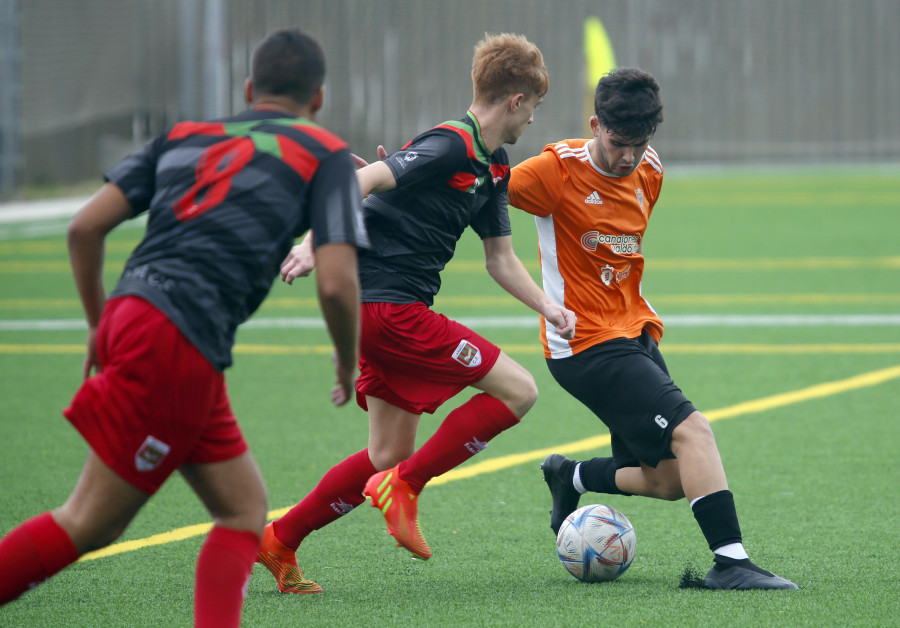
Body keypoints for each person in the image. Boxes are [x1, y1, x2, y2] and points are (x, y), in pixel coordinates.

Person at [0, 28, 368, 625]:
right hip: (177, 338)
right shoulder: (323, 151)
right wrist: (346, 361)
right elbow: (334, 280)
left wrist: (99, 325)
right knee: (89, 520)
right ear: (318, 99)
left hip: (137, 317)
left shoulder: (184, 135)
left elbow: (83, 228)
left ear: (249, 90)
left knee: (244, 510)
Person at [255, 32, 576, 594]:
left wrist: (549, 307)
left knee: (386, 451)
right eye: (536, 108)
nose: (533, 122)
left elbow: (500, 259)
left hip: (382, 309)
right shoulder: (450, 143)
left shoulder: (494, 167)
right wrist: (311, 245)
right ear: (516, 100)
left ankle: (280, 539)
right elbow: (363, 179)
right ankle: (405, 486)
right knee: (519, 391)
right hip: (387, 308)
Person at [506, 67, 797, 590]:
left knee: (667, 481)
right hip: (584, 345)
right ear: (595, 125)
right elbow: (474, 189)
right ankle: (730, 564)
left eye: (639, 144)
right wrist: (390, 183)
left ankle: (569, 475)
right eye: (618, 143)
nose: (628, 157)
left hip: (633, 333)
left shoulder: (650, 169)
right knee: (694, 430)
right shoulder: (554, 171)